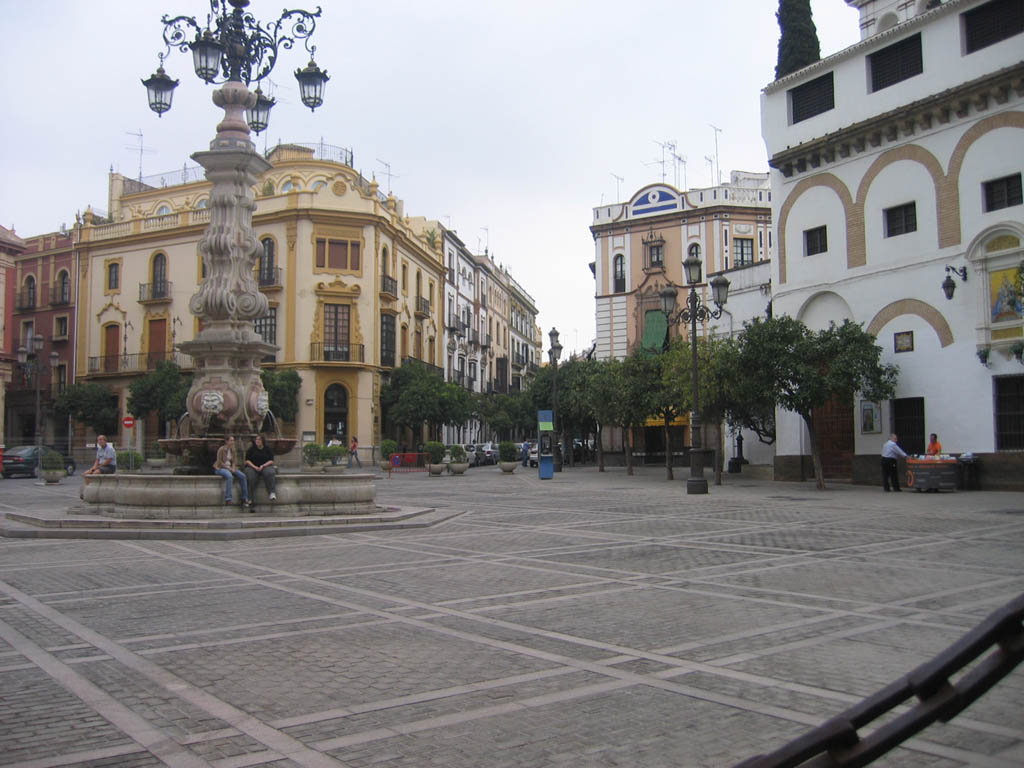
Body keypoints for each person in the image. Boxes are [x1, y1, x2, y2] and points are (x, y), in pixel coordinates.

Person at [214, 436, 249, 507]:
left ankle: (244, 497)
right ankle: (228, 498)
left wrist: (233, 468)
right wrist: (229, 469)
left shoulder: (233, 450)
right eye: (231, 440)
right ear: (226, 441)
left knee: (243, 476)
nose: (232, 442)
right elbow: (219, 462)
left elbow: (234, 461)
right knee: (229, 476)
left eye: (233, 440)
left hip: (230, 467)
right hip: (221, 468)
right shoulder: (221, 449)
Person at [244, 434, 277, 502]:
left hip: (265, 466)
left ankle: (272, 493)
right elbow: (247, 460)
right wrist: (255, 467)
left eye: (259, 439)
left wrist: (263, 466)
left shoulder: (267, 449)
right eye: (256, 439)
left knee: (270, 473)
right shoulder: (251, 449)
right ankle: (249, 498)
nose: (257, 441)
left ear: (263, 441)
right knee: (251, 477)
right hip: (252, 467)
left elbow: (271, 460)